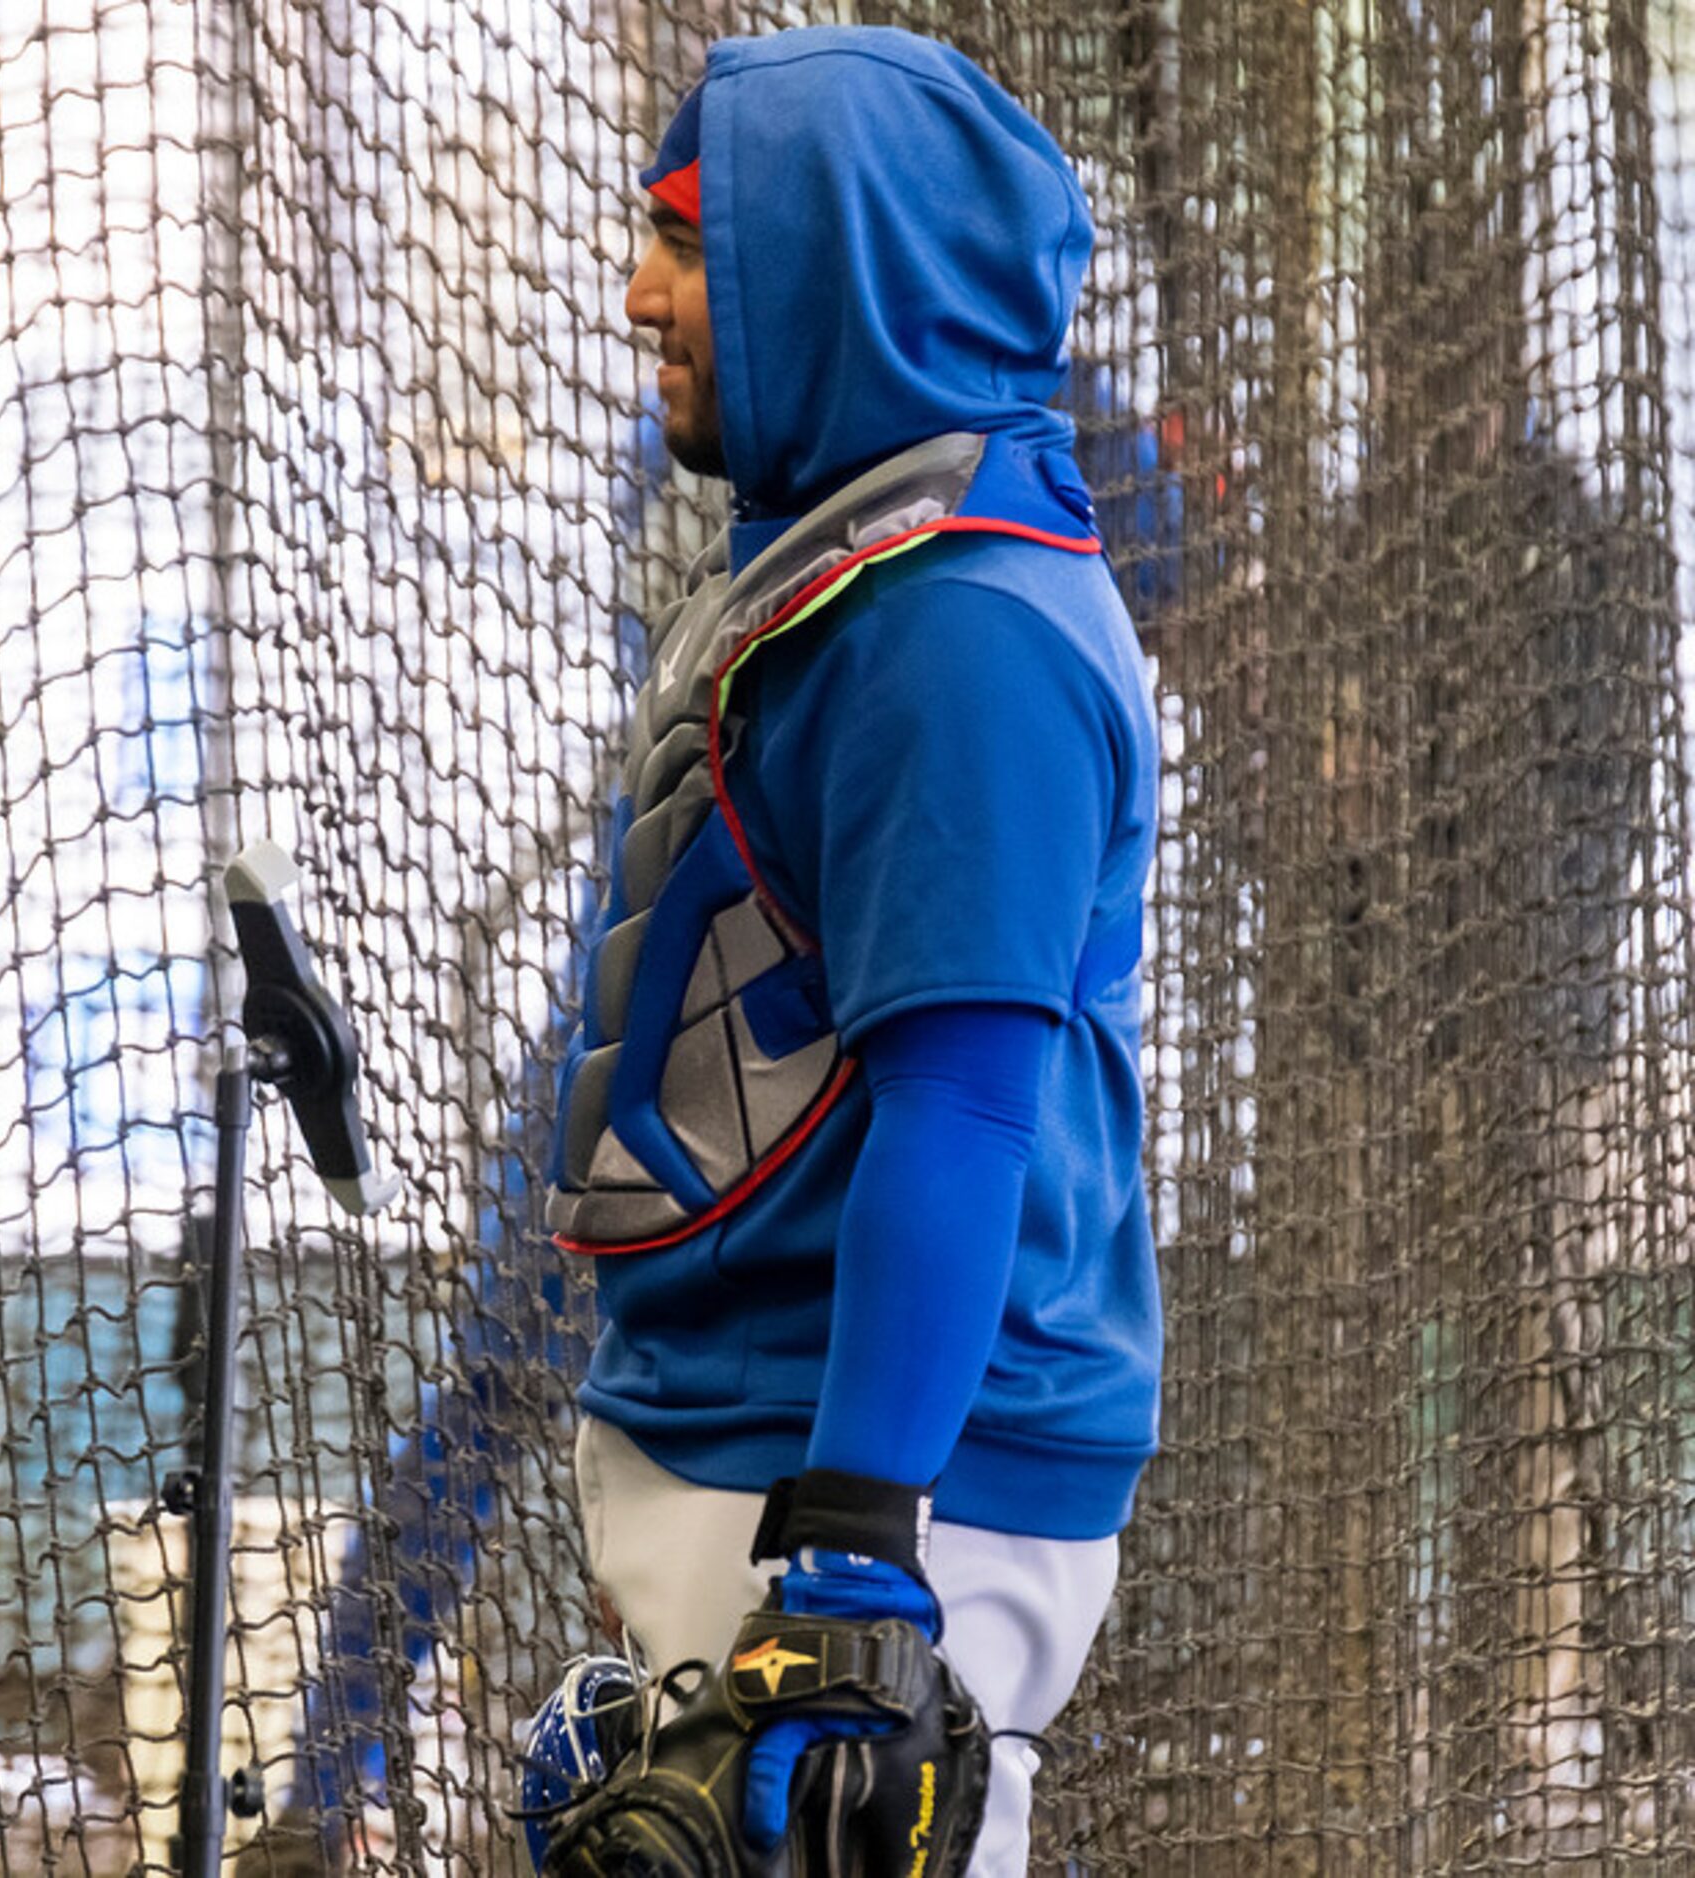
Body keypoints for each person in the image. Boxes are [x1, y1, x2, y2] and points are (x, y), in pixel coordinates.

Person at [530, 26, 1161, 1875]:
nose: (639, 293)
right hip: (769, 1444)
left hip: (880, 1481)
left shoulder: (966, 630)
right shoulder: (844, 569)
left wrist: (856, 1555)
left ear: (843, 264)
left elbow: (963, 1107)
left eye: (691, 248)